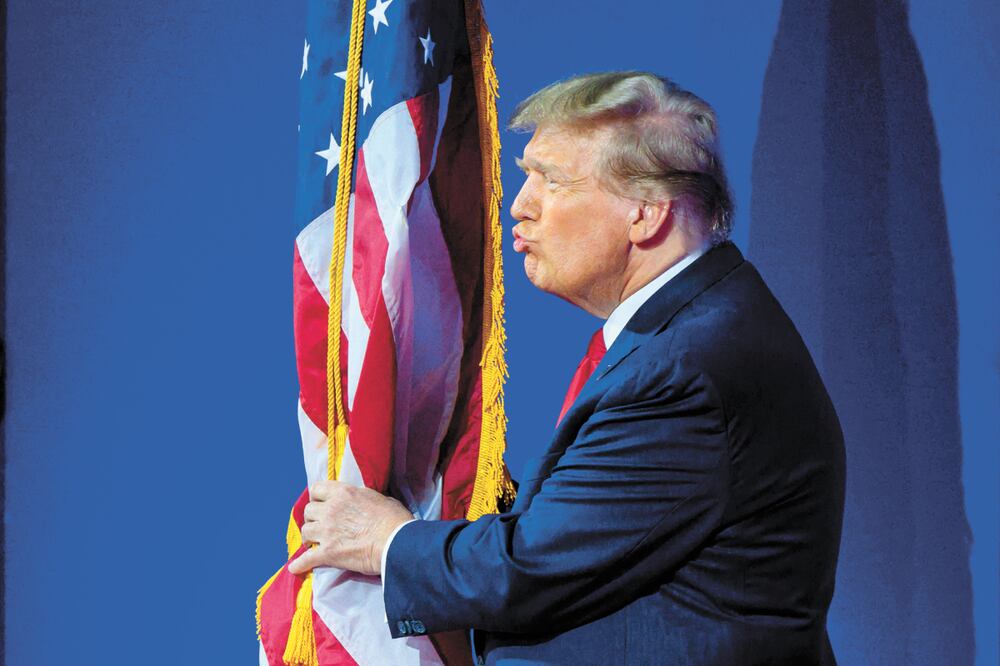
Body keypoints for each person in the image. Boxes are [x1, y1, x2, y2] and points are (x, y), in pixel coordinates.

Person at [288, 71, 846, 665]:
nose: (519, 206)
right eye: (527, 175)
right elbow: (600, 541)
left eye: (551, 181)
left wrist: (385, 542)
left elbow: (531, 569)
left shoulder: (685, 370)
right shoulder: (696, 326)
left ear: (646, 215)